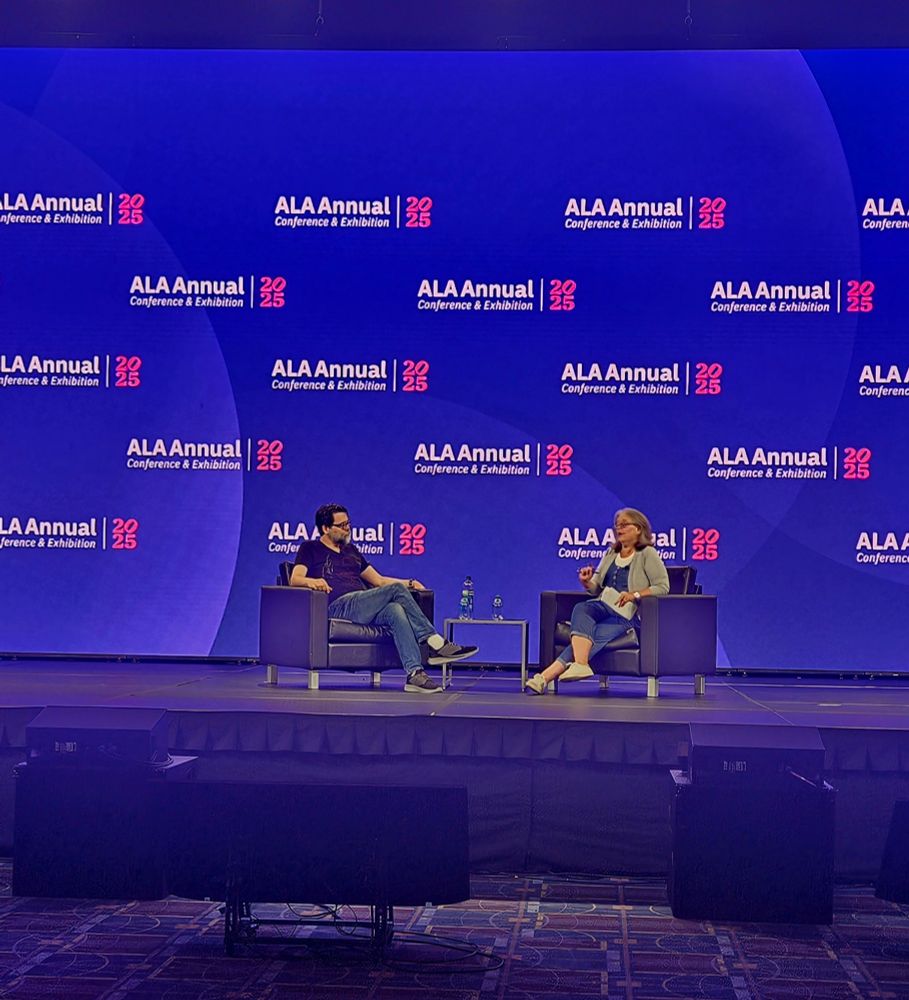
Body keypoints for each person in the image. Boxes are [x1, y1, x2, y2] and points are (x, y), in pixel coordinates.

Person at [291, 503, 478, 693]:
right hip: (338, 607)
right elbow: (295, 578)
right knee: (395, 591)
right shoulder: (310, 548)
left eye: (349, 523)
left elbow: (379, 581)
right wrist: (312, 582)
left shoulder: (352, 551)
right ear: (325, 528)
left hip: (362, 603)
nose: (347, 529)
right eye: (342, 525)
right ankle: (434, 642)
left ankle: (414, 674)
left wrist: (410, 583)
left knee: (395, 610)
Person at [526, 508, 669, 694]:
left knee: (591, 638)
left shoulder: (647, 553)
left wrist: (635, 594)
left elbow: (662, 586)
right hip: (603, 606)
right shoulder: (611, 553)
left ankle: (543, 678)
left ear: (638, 529)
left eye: (625, 525)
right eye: (617, 525)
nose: (619, 529)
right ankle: (581, 664)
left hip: (625, 615)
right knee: (582, 608)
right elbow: (596, 587)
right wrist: (587, 582)